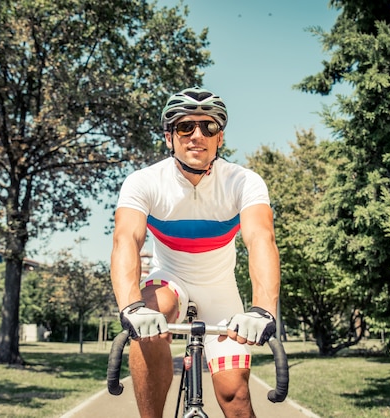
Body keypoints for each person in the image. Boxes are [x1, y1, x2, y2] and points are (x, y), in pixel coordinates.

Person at [110, 86, 281, 418]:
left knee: (236, 398)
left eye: (209, 127)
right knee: (150, 314)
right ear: (169, 137)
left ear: (220, 138)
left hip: (221, 291)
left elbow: (262, 239)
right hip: (170, 280)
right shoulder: (144, 182)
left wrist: (262, 309)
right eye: (185, 127)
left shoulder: (244, 182)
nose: (197, 135)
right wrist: (130, 306)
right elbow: (125, 240)